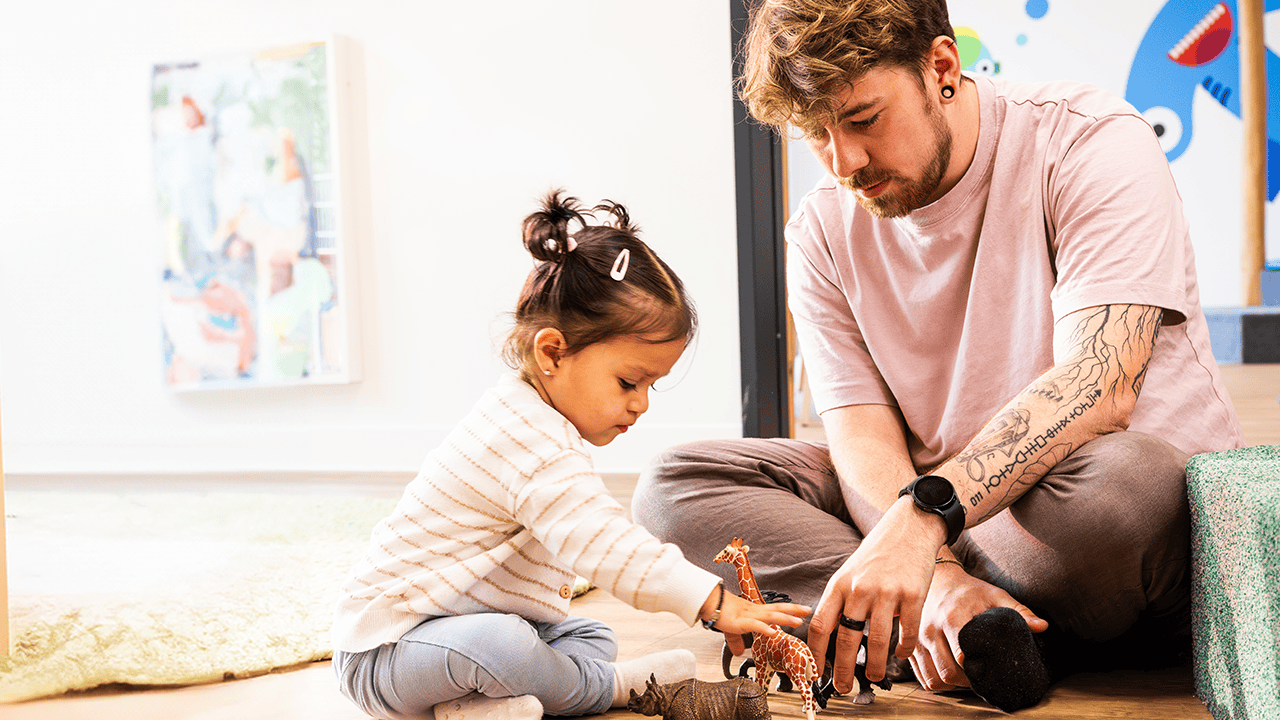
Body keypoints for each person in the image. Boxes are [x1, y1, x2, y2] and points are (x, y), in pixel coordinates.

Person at [631, 0, 1245, 712]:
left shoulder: (1090, 140)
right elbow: (861, 431)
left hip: (1075, 516)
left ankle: (900, 626)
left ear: (942, 69)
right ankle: (962, 619)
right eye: (815, 134)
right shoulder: (824, 229)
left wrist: (925, 522)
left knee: (1132, 488)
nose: (845, 162)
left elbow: (1100, 384)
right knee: (674, 490)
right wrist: (940, 570)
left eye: (863, 120)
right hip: (943, 517)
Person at [331, 191, 811, 720]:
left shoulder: (537, 423)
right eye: (630, 381)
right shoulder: (522, 440)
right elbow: (603, 545)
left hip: (459, 632)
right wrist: (713, 604)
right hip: (385, 654)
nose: (641, 403)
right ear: (553, 352)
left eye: (653, 386)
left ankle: (474, 707)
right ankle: (610, 689)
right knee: (504, 642)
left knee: (586, 631)